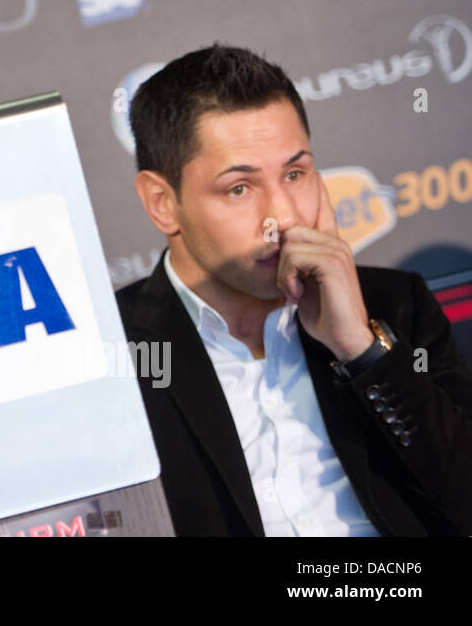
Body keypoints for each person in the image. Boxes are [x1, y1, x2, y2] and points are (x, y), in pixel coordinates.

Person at [116, 44, 472, 536]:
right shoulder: (115, 354)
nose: (282, 218)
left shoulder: (393, 306)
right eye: (239, 188)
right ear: (162, 203)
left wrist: (363, 353)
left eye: (295, 174)